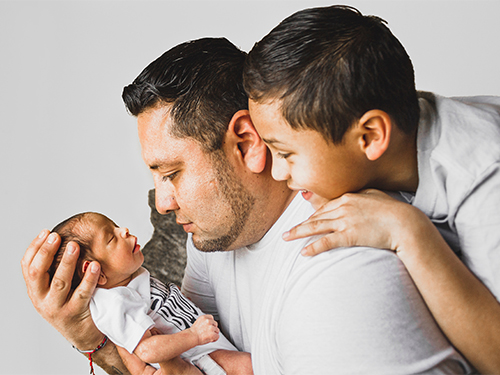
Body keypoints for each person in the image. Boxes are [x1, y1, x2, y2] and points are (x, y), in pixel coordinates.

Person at [22, 37, 472, 375]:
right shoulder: (213, 238)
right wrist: (91, 336)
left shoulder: (337, 272)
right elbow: (177, 355)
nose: (162, 202)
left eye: (172, 172)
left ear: (245, 143)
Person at [243, 5, 500, 375]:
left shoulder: (484, 178)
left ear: (371, 136)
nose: (277, 170)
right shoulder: (400, 137)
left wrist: (408, 232)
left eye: (285, 153)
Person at [48, 211, 251, 375]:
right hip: (197, 361)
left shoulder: (126, 285)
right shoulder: (113, 302)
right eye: (111, 238)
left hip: (202, 353)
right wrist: (194, 335)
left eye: (116, 226)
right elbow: (146, 350)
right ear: (95, 272)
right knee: (249, 367)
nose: (124, 231)